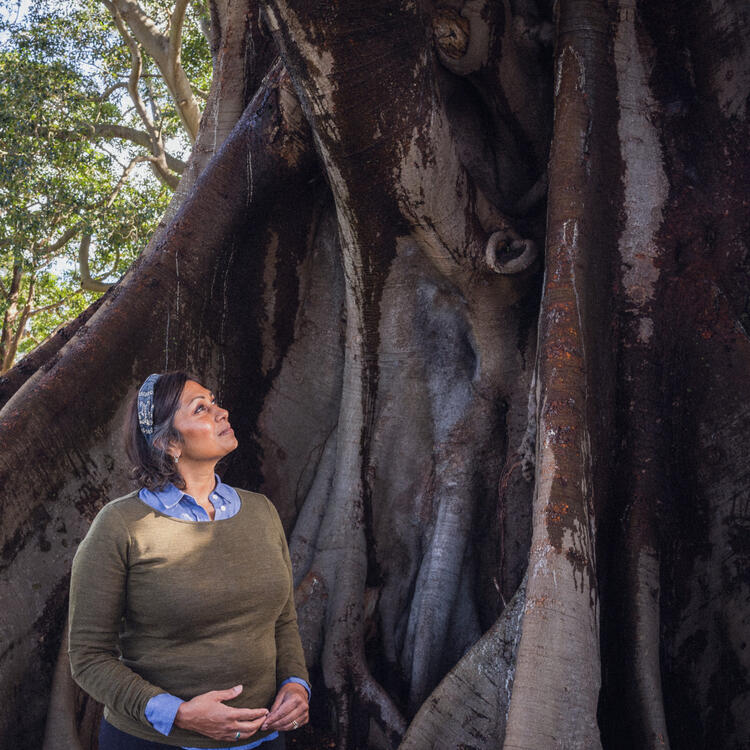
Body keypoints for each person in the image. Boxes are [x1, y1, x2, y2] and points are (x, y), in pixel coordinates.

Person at [68, 371, 310, 750]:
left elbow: (283, 619)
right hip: (155, 743)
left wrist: (296, 684)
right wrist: (177, 713)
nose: (222, 412)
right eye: (202, 408)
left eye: (215, 403)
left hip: (263, 740)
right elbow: (88, 658)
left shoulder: (261, 511)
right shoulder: (120, 526)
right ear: (168, 443)